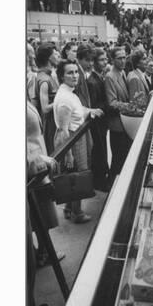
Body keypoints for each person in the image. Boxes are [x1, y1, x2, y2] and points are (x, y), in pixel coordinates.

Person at [26, 100, 65, 306]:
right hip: (32, 171)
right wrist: (39, 160)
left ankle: (40, 253)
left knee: (40, 217)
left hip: (36, 168)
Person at [53, 60, 104, 223]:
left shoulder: (69, 93)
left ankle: (69, 208)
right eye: (70, 73)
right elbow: (63, 130)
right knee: (78, 175)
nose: (75, 76)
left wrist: (90, 110)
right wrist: (68, 154)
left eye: (76, 72)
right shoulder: (65, 98)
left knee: (72, 175)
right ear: (61, 76)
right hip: (72, 141)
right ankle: (78, 213)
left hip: (77, 138)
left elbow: (78, 110)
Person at [104, 46, 132, 181]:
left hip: (125, 122)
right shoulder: (110, 77)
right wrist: (131, 106)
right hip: (117, 125)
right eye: (119, 58)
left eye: (124, 57)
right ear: (112, 60)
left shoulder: (123, 73)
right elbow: (112, 102)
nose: (123, 60)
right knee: (117, 159)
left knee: (124, 156)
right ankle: (112, 185)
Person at [87, 48, 110, 191]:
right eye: (102, 60)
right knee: (99, 150)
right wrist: (108, 105)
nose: (105, 62)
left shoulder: (99, 77)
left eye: (106, 59)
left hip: (102, 121)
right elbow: (95, 105)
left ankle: (102, 178)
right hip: (97, 122)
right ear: (94, 62)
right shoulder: (92, 81)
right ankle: (99, 182)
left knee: (102, 150)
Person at [34, 43, 58, 154]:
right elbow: (45, 108)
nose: (58, 55)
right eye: (55, 53)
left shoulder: (47, 76)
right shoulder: (44, 80)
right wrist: (60, 100)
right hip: (50, 125)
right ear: (49, 58)